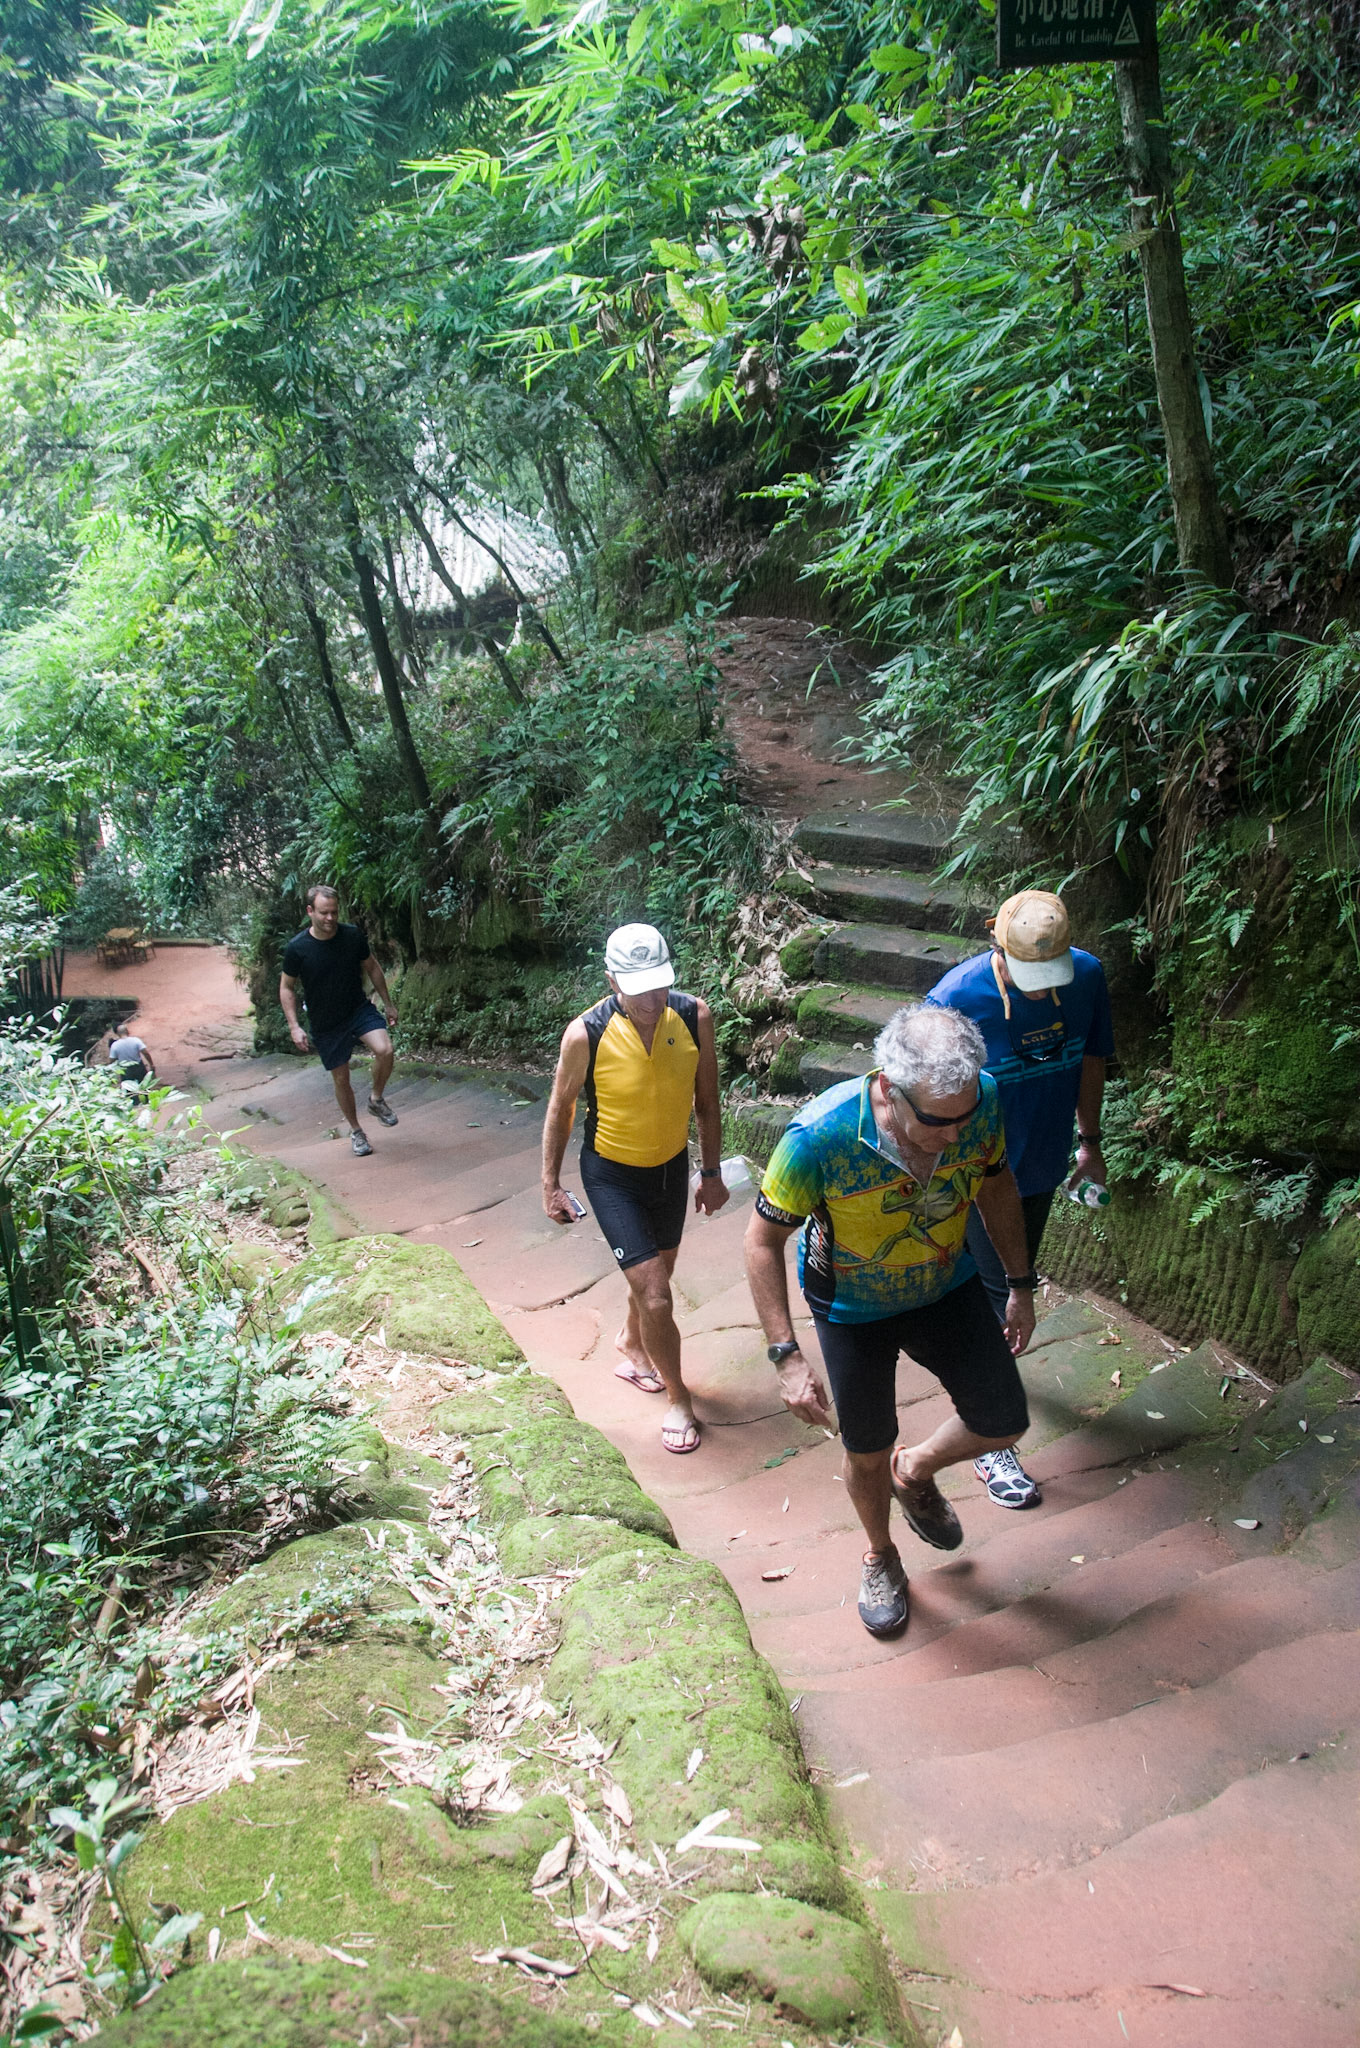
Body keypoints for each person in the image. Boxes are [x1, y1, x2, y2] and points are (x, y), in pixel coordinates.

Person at [744, 1004, 1037, 1639]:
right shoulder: (817, 1138)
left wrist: (1019, 1284)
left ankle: (918, 1469)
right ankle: (880, 1555)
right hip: (852, 1305)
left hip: (944, 1283)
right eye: (937, 1121)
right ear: (887, 1087)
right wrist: (786, 1355)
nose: (955, 1134)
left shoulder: (976, 1100)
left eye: (964, 1118)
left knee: (1004, 1420)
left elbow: (995, 1186)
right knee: (865, 1448)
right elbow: (760, 1242)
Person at [924, 889, 1114, 1511]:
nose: (1039, 992)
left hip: (1039, 1163)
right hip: (973, 1172)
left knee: (1007, 1279)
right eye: (1027, 977)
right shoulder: (957, 1000)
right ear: (997, 944)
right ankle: (990, 1434)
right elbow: (919, 1090)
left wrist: (1090, 1141)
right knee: (1000, 1290)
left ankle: (976, 1372)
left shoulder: (1085, 977)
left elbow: (1089, 1059)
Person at [541, 922, 729, 1455]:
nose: (651, 998)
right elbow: (561, 1107)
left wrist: (710, 1173)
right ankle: (679, 1400)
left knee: (658, 1274)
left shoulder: (694, 1016)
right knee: (656, 1292)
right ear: (611, 980)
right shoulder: (587, 1033)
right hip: (611, 1174)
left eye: (660, 983)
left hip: (669, 1167)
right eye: (638, 986)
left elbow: (707, 1100)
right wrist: (550, 1184)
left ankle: (630, 1344)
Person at [279, 885, 399, 1157]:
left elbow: (372, 967)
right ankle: (356, 1131)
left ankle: (376, 1099)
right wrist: (294, 1026)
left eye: (334, 912)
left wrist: (388, 1004)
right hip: (326, 1021)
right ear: (310, 911)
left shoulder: (352, 936)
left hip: (357, 1008)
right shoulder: (298, 948)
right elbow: (286, 987)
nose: (330, 918)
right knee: (341, 1078)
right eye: (324, 913)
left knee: (385, 1049)